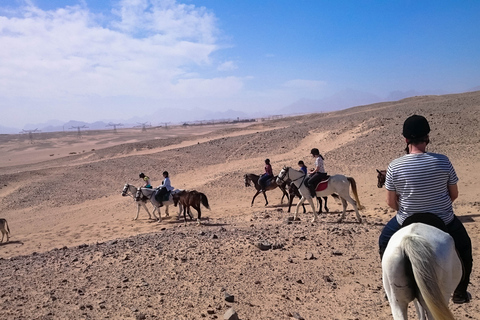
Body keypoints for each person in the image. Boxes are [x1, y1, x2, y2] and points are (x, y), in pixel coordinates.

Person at [378, 114, 472, 304]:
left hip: (406, 220)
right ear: (427, 137)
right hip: (443, 219)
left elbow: (390, 203)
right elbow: (454, 194)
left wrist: (407, 209)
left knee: (383, 242)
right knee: (465, 248)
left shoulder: (394, 166)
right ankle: (461, 291)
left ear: (405, 139)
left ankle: (390, 289)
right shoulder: (443, 161)